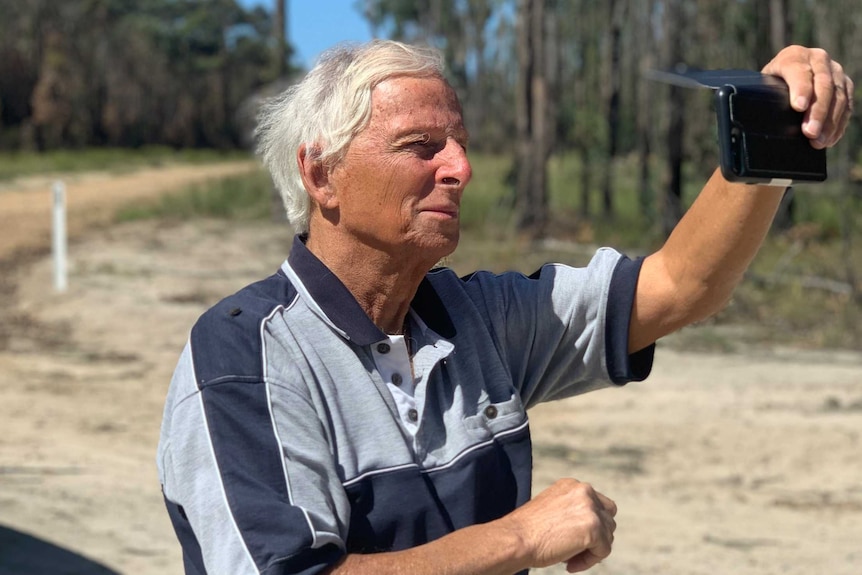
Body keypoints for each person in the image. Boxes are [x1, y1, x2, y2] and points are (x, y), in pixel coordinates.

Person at [156, 39, 853, 575]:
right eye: (421, 146)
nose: (460, 168)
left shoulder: (477, 316)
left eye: (458, 144)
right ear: (321, 175)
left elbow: (680, 286)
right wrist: (520, 536)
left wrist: (768, 130)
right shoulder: (245, 356)